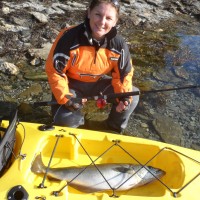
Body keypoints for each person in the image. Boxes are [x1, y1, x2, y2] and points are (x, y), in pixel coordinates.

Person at [45, 0, 139, 133]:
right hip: (71, 86)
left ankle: (112, 129)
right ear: (89, 13)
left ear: (115, 21)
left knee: (132, 96)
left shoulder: (119, 44)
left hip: (99, 83)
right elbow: (55, 71)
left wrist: (124, 99)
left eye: (108, 18)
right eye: (98, 15)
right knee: (64, 120)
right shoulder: (68, 38)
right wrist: (66, 97)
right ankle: (79, 127)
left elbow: (123, 75)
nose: (102, 22)